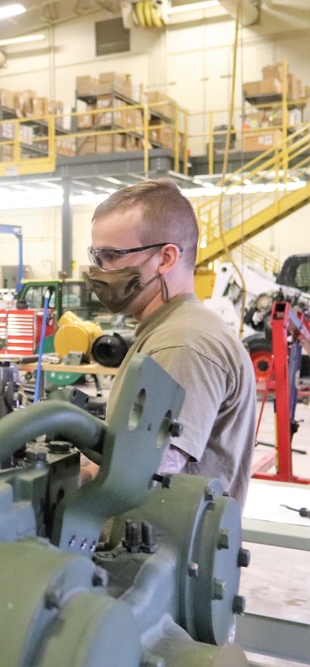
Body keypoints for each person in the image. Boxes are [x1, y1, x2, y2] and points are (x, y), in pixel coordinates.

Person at [87, 178, 256, 507]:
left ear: (165, 258)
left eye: (110, 256)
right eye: (95, 256)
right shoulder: (166, 328)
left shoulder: (183, 343)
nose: (98, 270)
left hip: (163, 550)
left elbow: (145, 476)